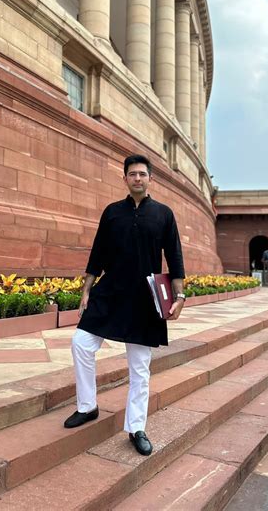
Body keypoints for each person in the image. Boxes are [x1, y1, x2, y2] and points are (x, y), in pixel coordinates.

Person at [63, 154, 186, 457]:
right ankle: (87, 406)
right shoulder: (112, 213)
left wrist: (179, 296)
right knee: (81, 342)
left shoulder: (163, 214)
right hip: (111, 292)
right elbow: (98, 252)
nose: (137, 179)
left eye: (142, 174)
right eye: (132, 174)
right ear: (125, 178)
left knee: (139, 367)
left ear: (150, 178)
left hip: (145, 298)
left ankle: (136, 427)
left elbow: (175, 255)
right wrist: (87, 290)